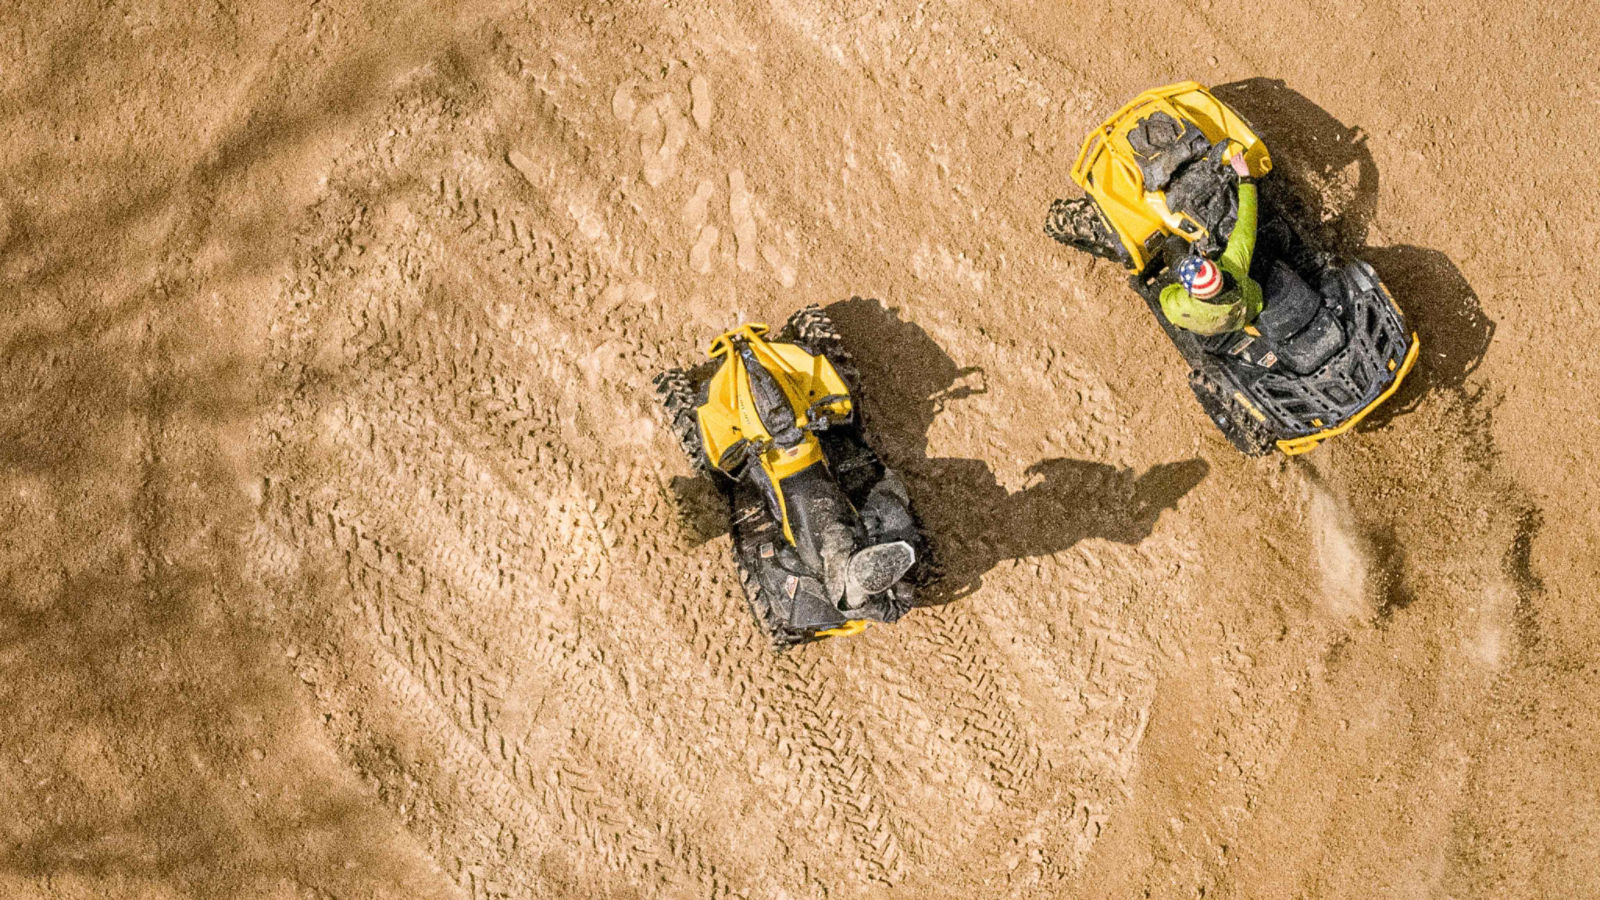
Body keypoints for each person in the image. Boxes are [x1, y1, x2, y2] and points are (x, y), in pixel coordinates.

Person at [1159, 151, 1262, 335]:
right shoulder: (1235, 269)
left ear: (1190, 292)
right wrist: (1246, 178)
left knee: (1173, 242)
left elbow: (1165, 295)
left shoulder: (1179, 306)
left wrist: (1177, 284)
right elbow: (1247, 223)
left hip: (1217, 322)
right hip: (1251, 308)